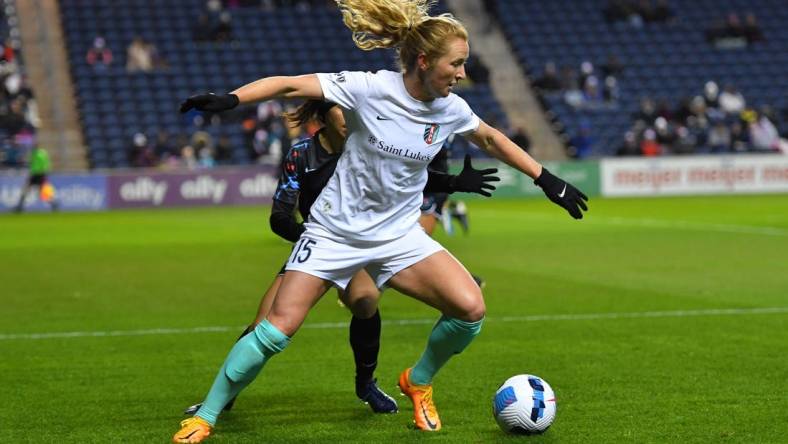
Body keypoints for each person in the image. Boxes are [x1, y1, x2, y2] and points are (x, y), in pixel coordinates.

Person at [173, 1, 588, 441]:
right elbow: (290, 84)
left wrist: (546, 179)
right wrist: (232, 99)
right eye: (457, 63)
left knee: (470, 310)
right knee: (276, 330)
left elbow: (490, 137)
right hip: (334, 232)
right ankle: (207, 416)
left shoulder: (450, 108)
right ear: (425, 61)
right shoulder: (368, 88)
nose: (462, 74)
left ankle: (419, 381)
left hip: (398, 236)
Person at [183, 98, 498, 416]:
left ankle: (366, 385)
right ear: (322, 116)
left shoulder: (368, 145)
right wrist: (312, 243)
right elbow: (280, 216)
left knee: (364, 301)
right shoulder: (301, 154)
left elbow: (410, 177)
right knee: (265, 323)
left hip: (363, 245)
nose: (350, 117)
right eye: (341, 112)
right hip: (319, 244)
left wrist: (454, 183)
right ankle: (223, 399)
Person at [14, 145, 58, 212]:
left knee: (27, 190)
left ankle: (20, 206)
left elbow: (33, 165)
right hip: (42, 174)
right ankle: (53, 204)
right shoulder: (44, 153)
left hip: (36, 174)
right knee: (41, 192)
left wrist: (31, 174)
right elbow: (47, 164)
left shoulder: (34, 154)